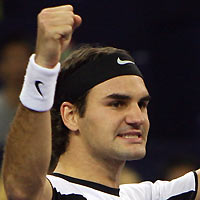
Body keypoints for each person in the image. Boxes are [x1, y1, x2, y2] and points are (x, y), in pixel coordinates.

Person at [1, 4, 200, 200]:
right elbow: (21, 191)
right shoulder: (54, 192)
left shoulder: (151, 195)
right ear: (71, 116)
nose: (137, 117)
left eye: (142, 105)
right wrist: (43, 67)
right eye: (117, 104)